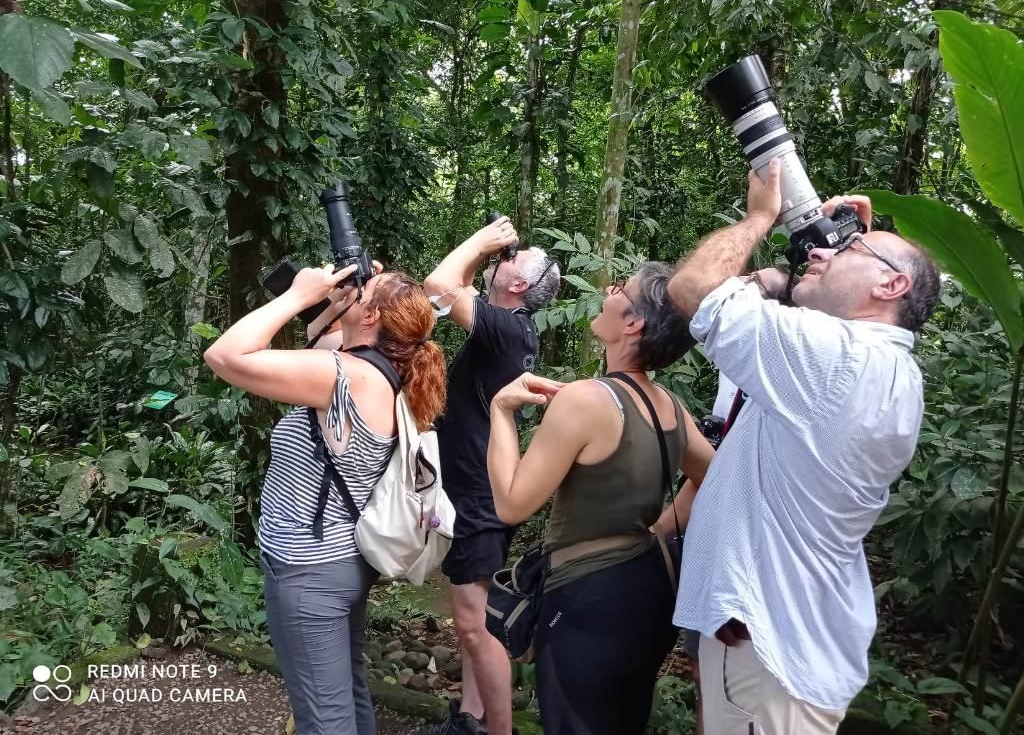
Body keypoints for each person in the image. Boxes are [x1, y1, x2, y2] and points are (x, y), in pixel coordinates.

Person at [667, 159, 941, 734]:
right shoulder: (885, 368)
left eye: (846, 254)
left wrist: (760, 217)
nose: (821, 252)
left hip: (768, 655)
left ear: (891, 285)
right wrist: (837, 255)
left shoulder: (836, 360)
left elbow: (691, 289)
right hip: (793, 644)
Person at [204, 263, 446, 735]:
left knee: (323, 717)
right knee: (347, 696)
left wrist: (297, 296)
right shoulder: (378, 369)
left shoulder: (345, 374)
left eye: (363, 292)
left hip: (309, 571)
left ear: (373, 317)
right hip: (342, 561)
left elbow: (225, 355)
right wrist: (332, 306)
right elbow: (324, 344)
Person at [487, 262, 716, 735]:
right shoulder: (670, 405)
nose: (609, 290)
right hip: (649, 590)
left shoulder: (587, 400)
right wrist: (658, 531)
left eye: (620, 288)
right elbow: (711, 475)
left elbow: (511, 504)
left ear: (633, 323)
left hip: (587, 599)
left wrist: (501, 411)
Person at [419, 216, 560, 735]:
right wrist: (485, 255)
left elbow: (438, 285)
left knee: (474, 624)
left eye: (512, 260)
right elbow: (444, 296)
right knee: (473, 624)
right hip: (474, 487)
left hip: (477, 495)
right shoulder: (509, 330)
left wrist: (480, 241)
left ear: (520, 285)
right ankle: (471, 719)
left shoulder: (505, 329)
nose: (504, 259)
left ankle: (496, 729)